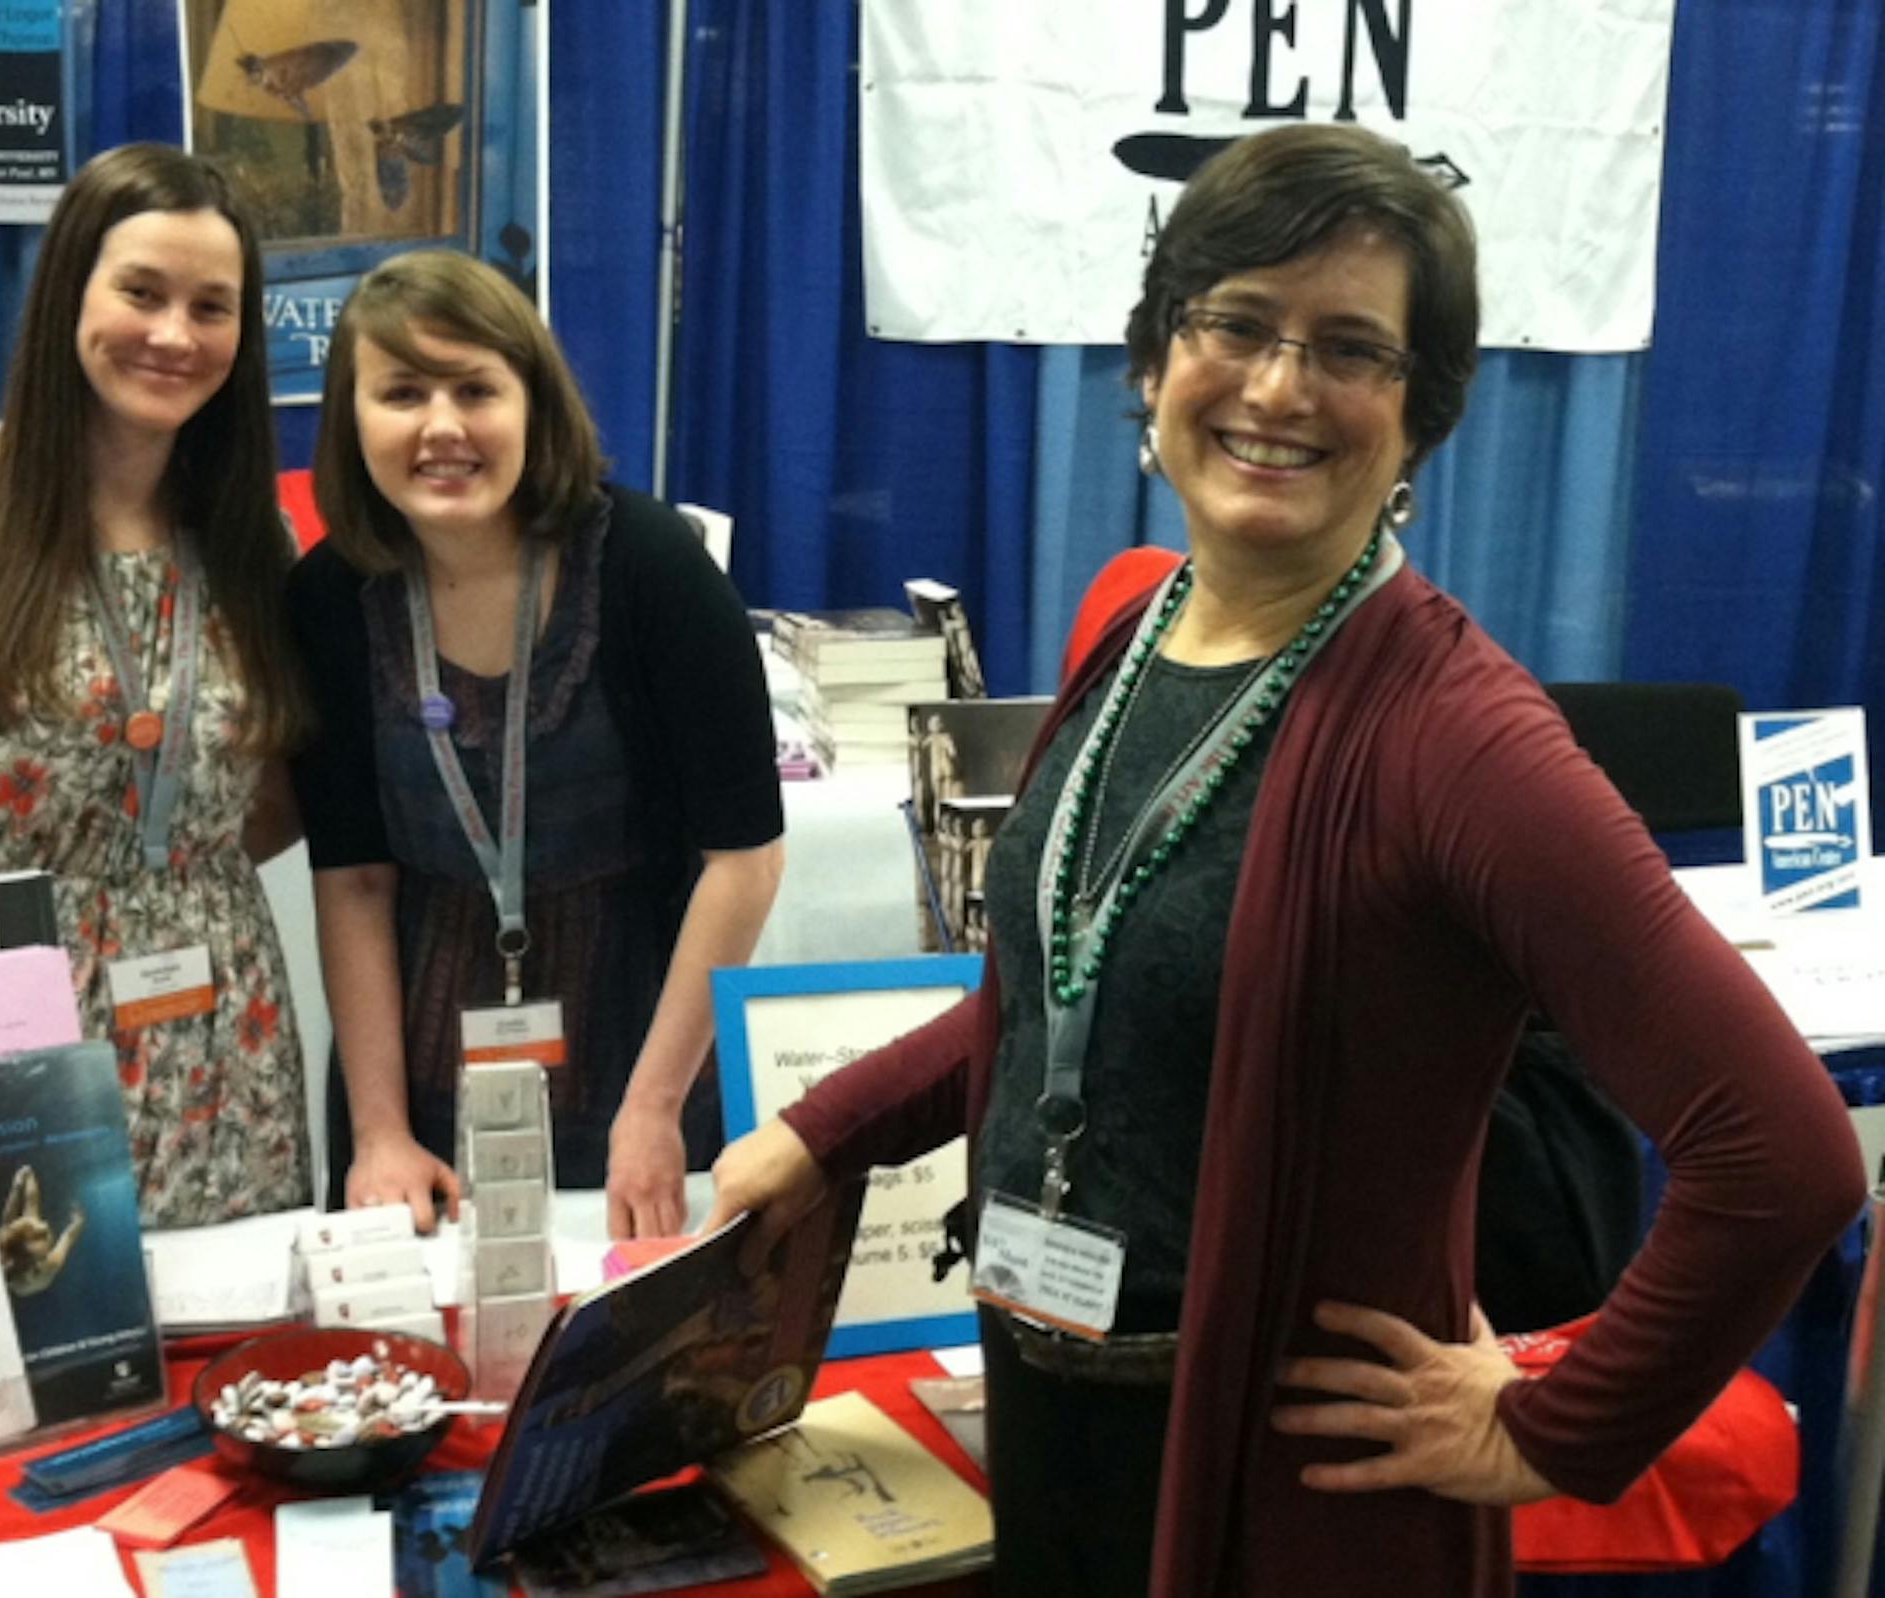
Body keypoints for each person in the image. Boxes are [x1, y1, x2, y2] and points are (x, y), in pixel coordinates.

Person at [705, 123, 1865, 1597]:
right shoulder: (1142, 639)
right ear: (1154, 360)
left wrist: (1554, 1425)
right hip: (1057, 1422)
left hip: (1285, 1507)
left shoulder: (1458, 736)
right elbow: (1073, 982)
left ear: (1421, 414)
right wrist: (831, 1129)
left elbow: (1786, 1154)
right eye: (1235, 322)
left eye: (1350, 348)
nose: (1275, 386)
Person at [0, 143, 313, 1228]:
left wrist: (162, 866)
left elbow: (268, 802)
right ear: (68, 291)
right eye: (142, 291)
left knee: (241, 1367)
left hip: (233, 1044)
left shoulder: (249, 537)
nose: (175, 334)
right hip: (5, 1035)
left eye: (211, 306)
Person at [287, 250, 783, 1240]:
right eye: (401, 392)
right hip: (419, 1089)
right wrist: (379, 1128)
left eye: (476, 388)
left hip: (647, 1068)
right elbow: (354, 880)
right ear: (352, 419)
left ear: (534, 404)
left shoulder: (650, 567)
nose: (441, 425)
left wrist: (653, 1108)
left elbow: (745, 860)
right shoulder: (328, 599)